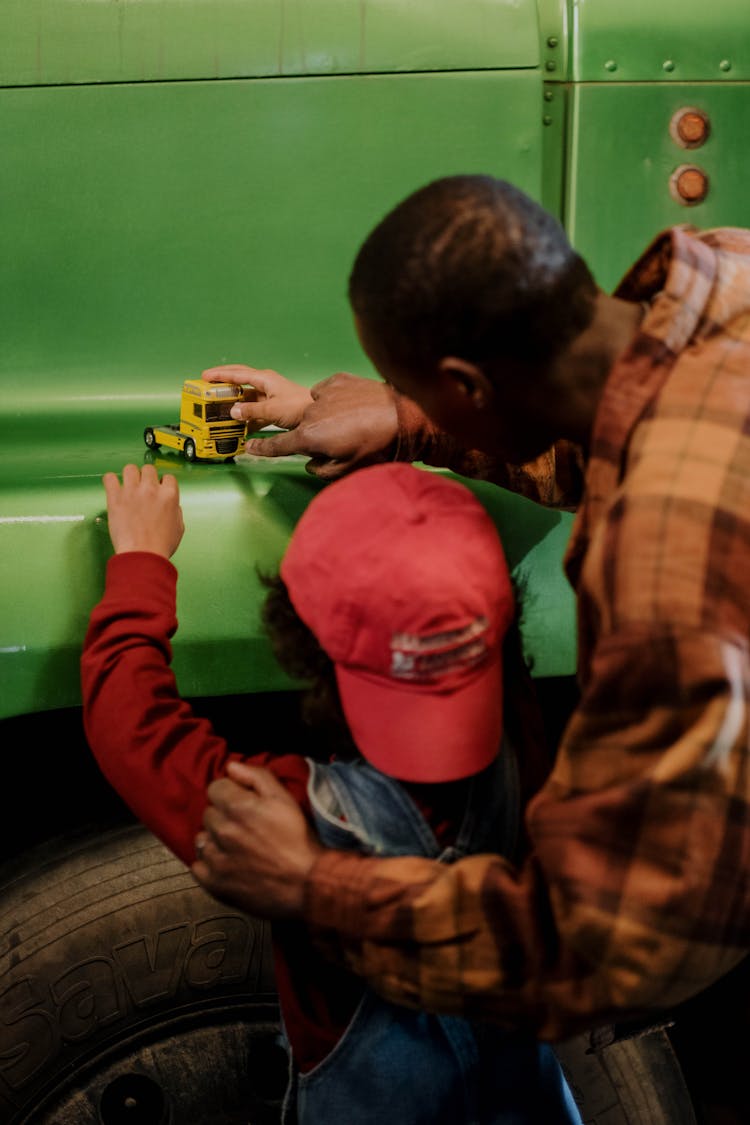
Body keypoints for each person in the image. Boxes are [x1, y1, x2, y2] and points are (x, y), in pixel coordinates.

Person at [191, 174, 750, 1052]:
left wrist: (314, 883)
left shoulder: (660, 560)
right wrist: (411, 417)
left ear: (470, 381)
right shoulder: (718, 273)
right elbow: (614, 416)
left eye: (409, 381)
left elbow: (608, 944)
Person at [80, 458, 582, 1125]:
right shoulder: (521, 728)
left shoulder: (297, 815)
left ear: (304, 640)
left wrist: (141, 558)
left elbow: (136, 733)